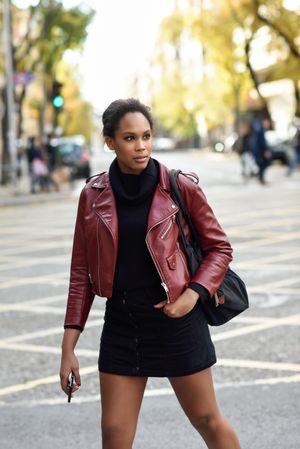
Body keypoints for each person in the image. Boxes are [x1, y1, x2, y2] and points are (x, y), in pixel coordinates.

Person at [60, 98, 242, 449]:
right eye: (129, 138)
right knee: (114, 433)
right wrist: (68, 347)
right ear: (110, 141)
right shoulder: (92, 195)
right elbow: (80, 272)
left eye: (146, 136)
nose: (141, 146)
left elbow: (220, 249)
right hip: (122, 323)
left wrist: (191, 296)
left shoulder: (178, 187)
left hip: (177, 319)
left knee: (206, 418)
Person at [252, 118, 272, 185]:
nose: (267, 124)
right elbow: (261, 143)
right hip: (260, 152)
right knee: (265, 164)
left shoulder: (261, 130)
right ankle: (260, 177)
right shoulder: (261, 131)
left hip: (260, 152)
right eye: (266, 123)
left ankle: (260, 177)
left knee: (263, 165)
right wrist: (266, 151)